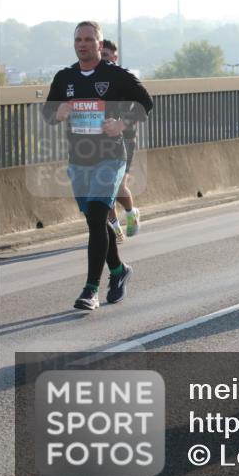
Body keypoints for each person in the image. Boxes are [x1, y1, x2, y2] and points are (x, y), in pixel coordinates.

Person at [42, 21, 153, 310]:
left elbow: (146, 103)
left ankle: (90, 290)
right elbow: (47, 113)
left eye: (89, 39)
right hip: (79, 159)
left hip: (111, 156)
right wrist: (59, 111)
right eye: (78, 39)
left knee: (96, 218)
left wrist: (122, 123)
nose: (83, 44)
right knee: (97, 221)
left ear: (99, 45)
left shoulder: (115, 75)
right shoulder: (65, 77)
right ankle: (118, 271)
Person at [100, 39, 142, 240]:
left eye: (106, 55)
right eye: (101, 55)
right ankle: (115, 229)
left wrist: (121, 124)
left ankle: (131, 212)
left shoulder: (126, 79)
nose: (103, 59)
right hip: (100, 142)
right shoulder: (92, 80)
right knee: (104, 186)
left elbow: (141, 110)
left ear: (114, 57)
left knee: (116, 186)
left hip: (125, 140)